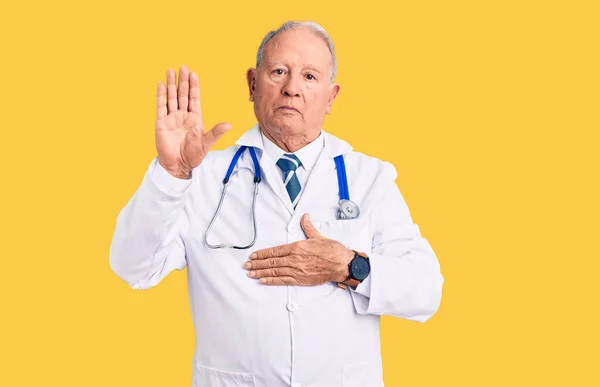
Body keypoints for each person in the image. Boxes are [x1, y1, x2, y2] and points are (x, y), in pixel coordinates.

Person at [109, 20, 444, 387]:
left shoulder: (370, 179)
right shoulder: (201, 176)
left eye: (310, 77)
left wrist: (349, 266)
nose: (292, 89)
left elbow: (426, 290)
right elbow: (133, 268)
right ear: (253, 84)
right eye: (279, 71)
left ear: (331, 97)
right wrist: (171, 175)